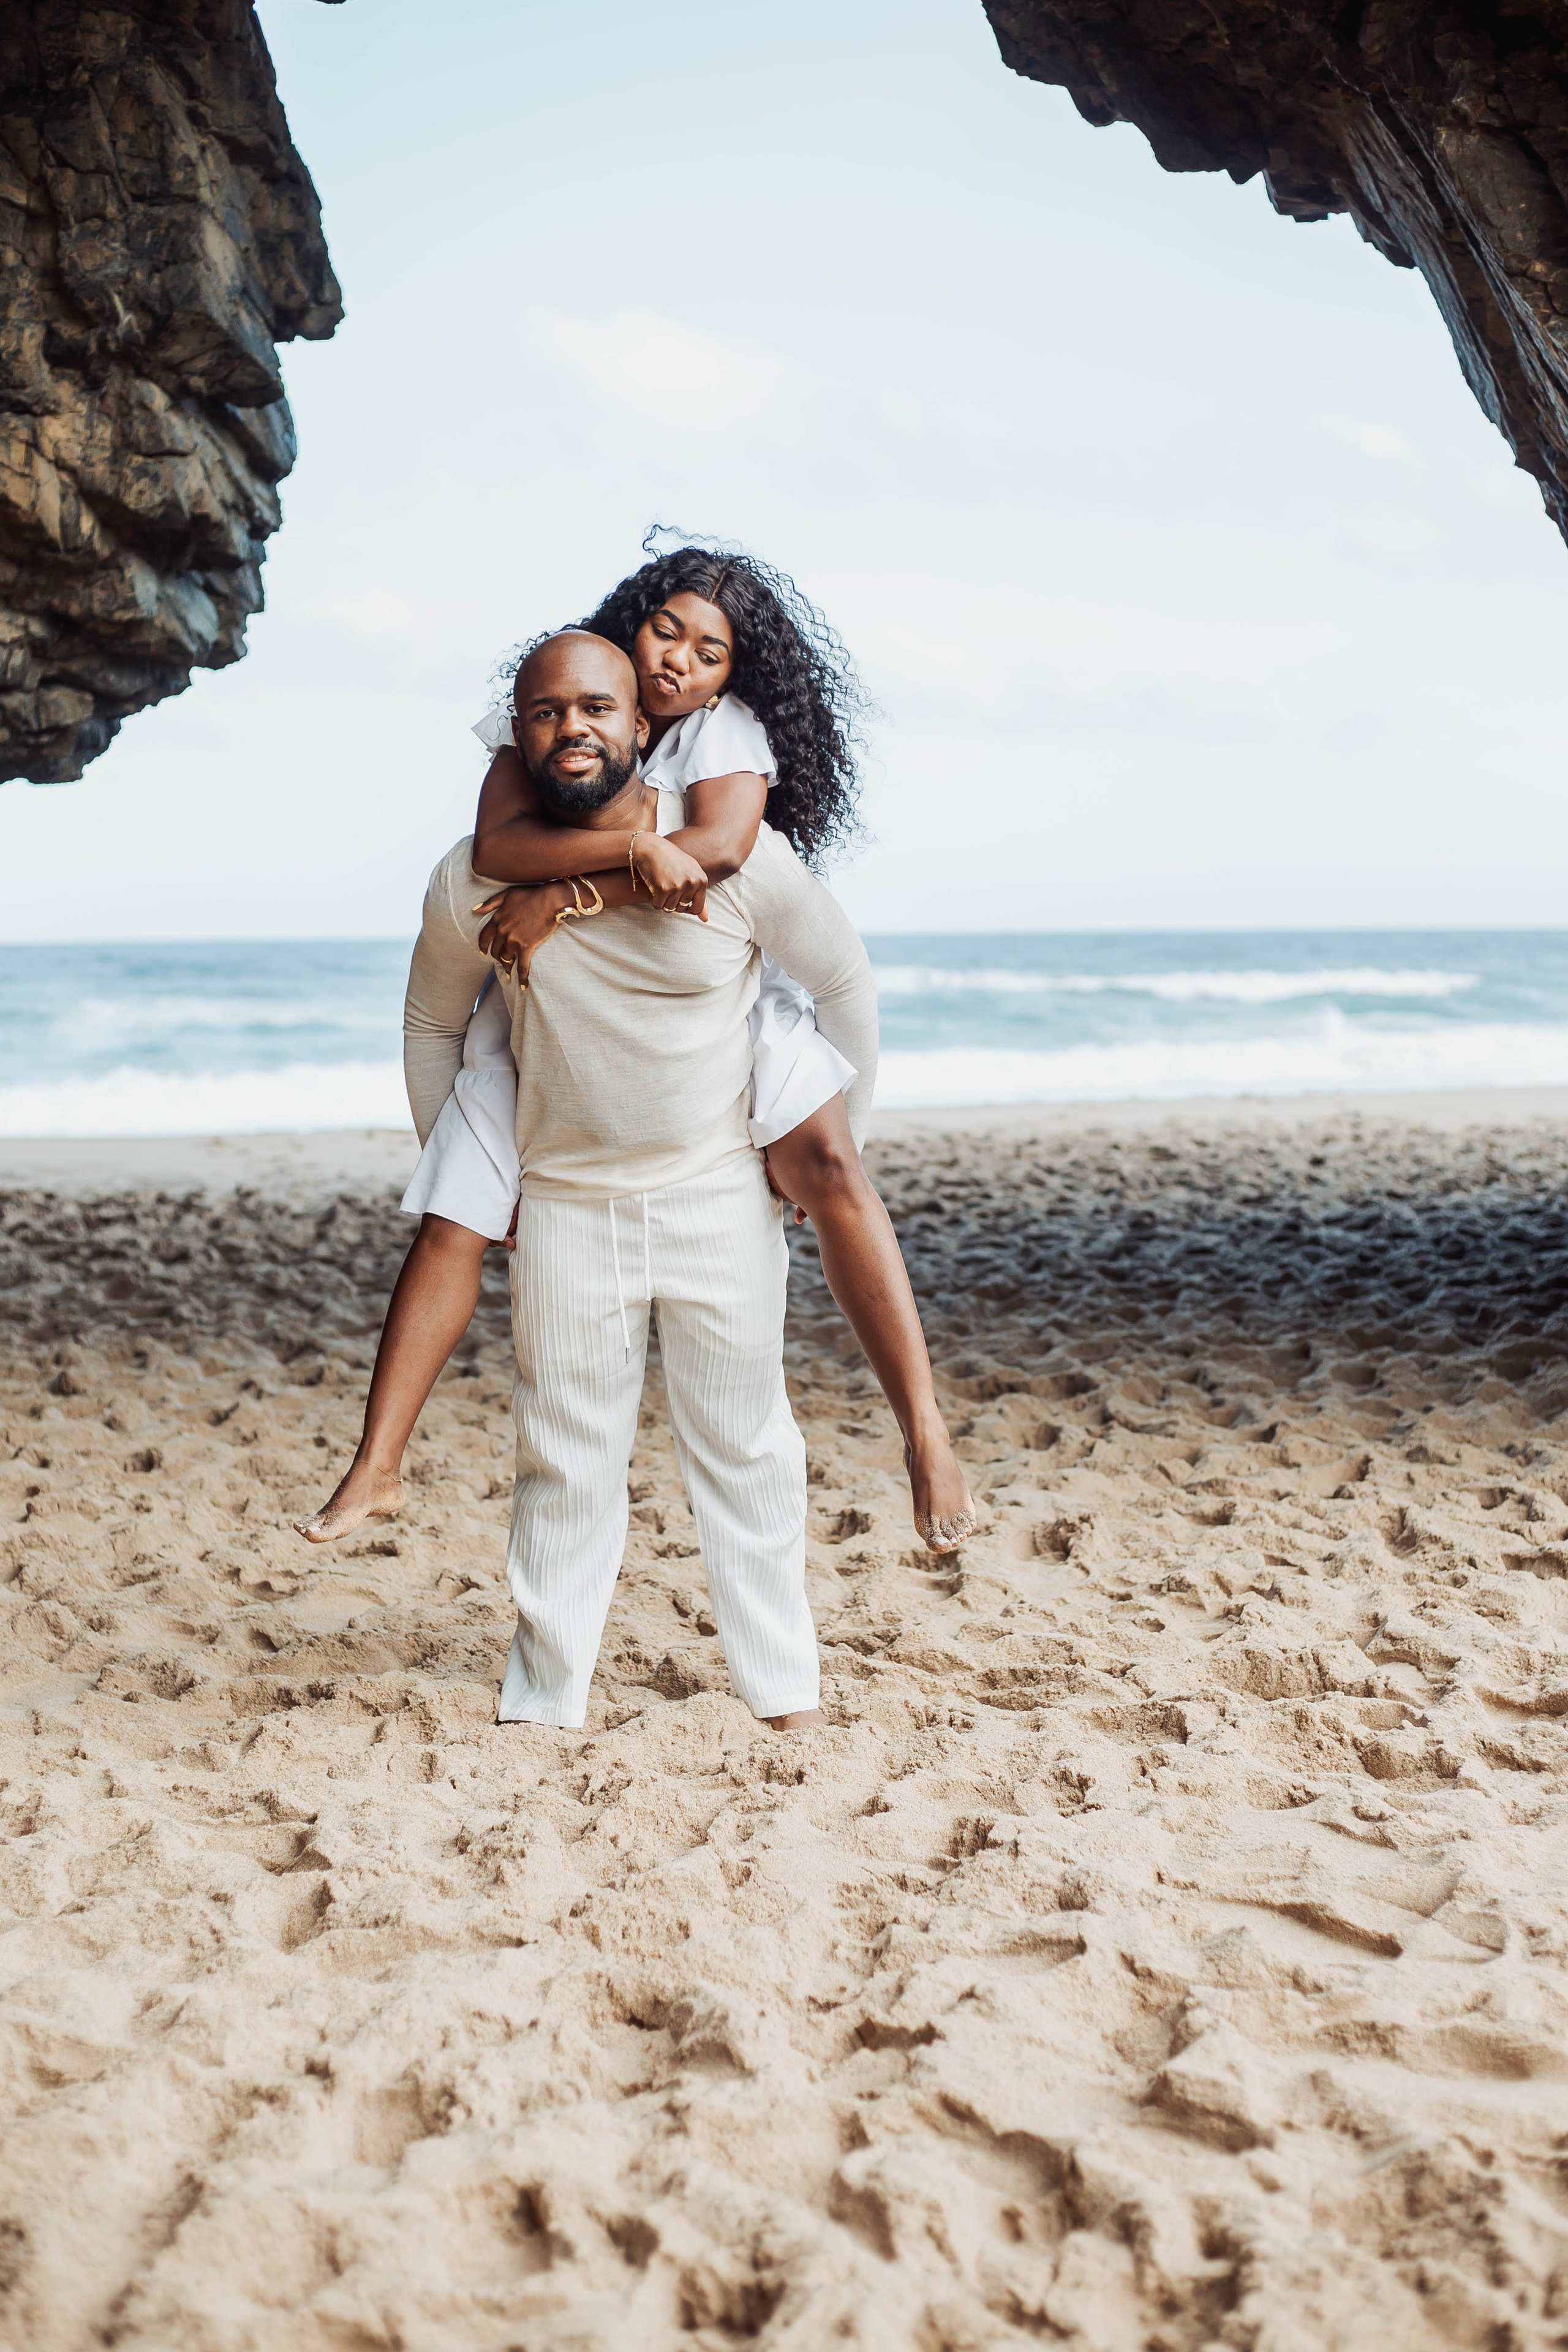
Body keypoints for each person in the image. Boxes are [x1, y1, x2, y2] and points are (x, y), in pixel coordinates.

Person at [298, 545, 973, 1555]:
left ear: (732, 676)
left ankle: (924, 1429)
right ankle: (377, 1464)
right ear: (634, 613)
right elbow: (498, 850)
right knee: (456, 1206)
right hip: (568, 1001)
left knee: (831, 1166)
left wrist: (570, 893)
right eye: (667, 630)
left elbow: (717, 854)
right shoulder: (566, 692)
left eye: (711, 653)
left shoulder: (721, 731)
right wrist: (603, 860)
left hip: (721, 973)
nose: (678, 663)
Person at [405, 628, 878, 1729]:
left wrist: (824, 1138)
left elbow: (843, 980)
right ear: (520, 737)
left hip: (719, 1195)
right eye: (546, 713)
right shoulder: (472, 877)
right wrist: (481, 1175)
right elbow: (433, 1019)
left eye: (598, 710)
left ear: (639, 726)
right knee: (563, 1462)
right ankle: (544, 1701)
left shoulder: (737, 857)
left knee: (750, 1451)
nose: (574, 729)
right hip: (564, 1202)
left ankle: (784, 1697)